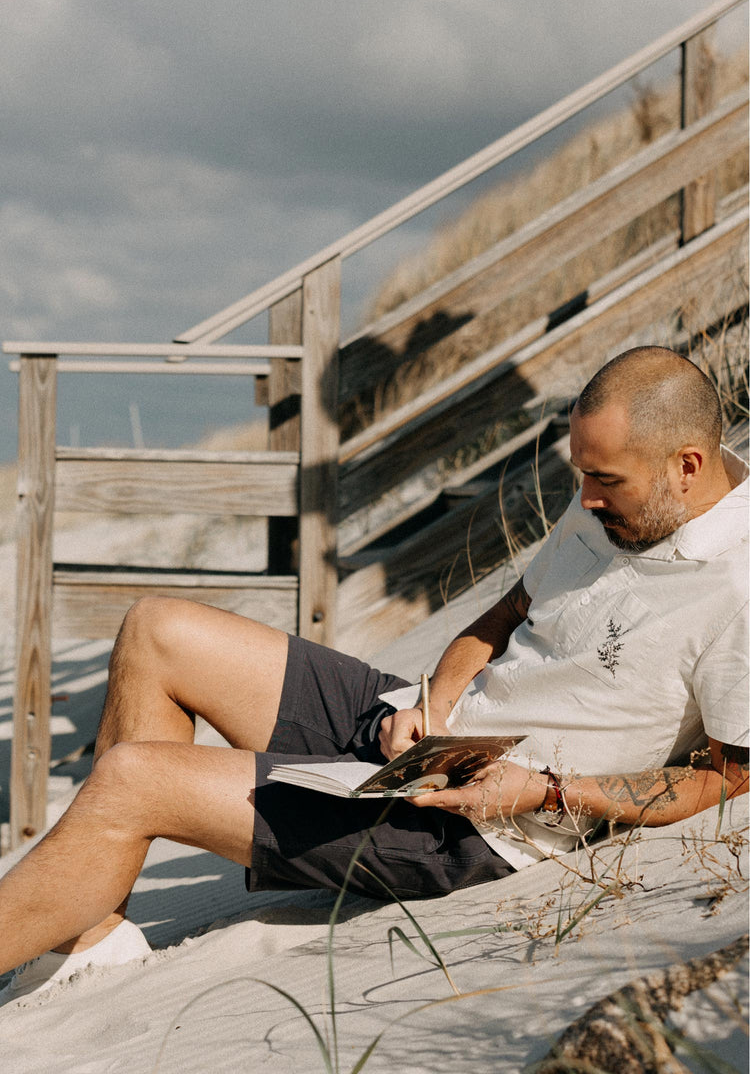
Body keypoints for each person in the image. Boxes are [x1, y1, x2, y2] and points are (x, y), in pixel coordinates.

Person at [1, 346, 747, 1002]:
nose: (583, 497)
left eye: (604, 480)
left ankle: (73, 901)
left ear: (686, 465)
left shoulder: (734, 588)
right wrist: (435, 698)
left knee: (134, 778)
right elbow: (503, 617)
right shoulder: (614, 505)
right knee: (156, 628)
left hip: (484, 826)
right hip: (427, 739)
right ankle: (91, 932)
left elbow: (728, 779)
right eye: (581, 473)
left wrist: (547, 790)